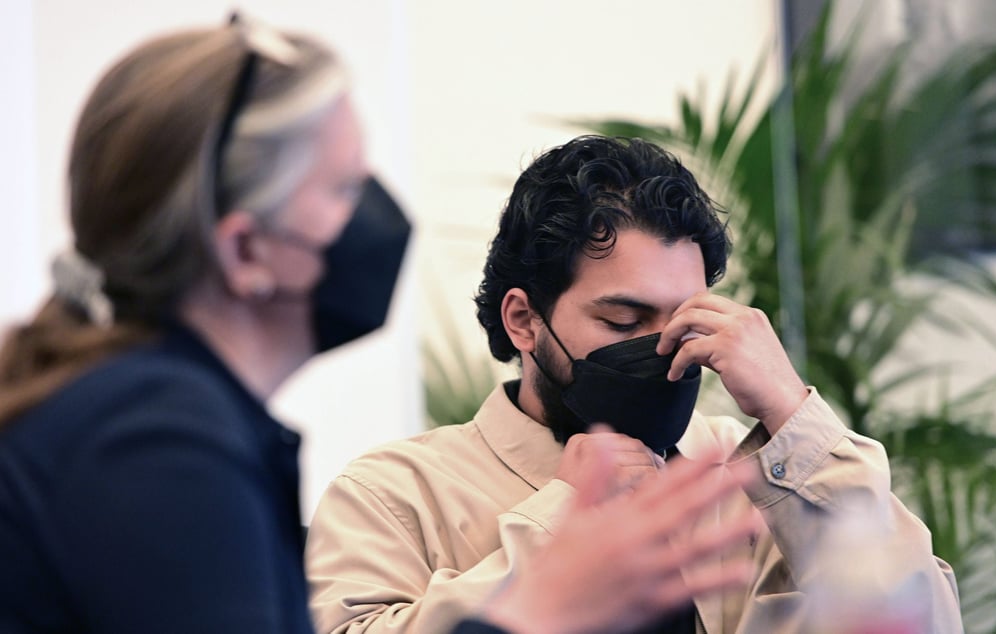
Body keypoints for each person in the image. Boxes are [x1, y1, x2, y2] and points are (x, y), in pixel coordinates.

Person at [0, 17, 759, 634]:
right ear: (245, 250)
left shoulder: (161, 416)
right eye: (342, 187)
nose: (378, 215)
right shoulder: (152, 441)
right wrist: (537, 598)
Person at [304, 135, 965, 633]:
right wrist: (562, 523)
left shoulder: (752, 479)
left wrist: (794, 416)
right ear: (524, 320)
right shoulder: (395, 496)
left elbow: (921, 621)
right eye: (623, 321)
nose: (662, 347)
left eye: (686, 321)